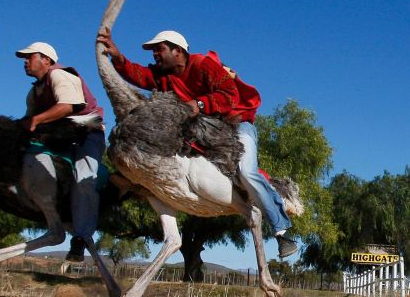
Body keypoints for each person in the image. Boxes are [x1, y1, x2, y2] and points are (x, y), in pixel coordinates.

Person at [97, 29, 298, 258]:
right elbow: (140, 75)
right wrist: (118, 57)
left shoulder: (203, 65)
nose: (155, 54)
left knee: (246, 171)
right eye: (154, 51)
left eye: (159, 49)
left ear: (178, 51)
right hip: (199, 127)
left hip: (235, 124)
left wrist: (199, 105)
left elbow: (229, 94)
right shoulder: (165, 75)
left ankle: (281, 230)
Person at [16, 42, 105, 262]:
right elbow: (29, 124)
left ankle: (81, 238)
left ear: (46, 60)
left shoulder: (60, 76)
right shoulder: (34, 92)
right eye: (25, 58)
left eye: (30, 57)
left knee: (84, 178)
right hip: (59, 137)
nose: (26, 61)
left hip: (87, 133)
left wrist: (35, 120)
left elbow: (68, 106)